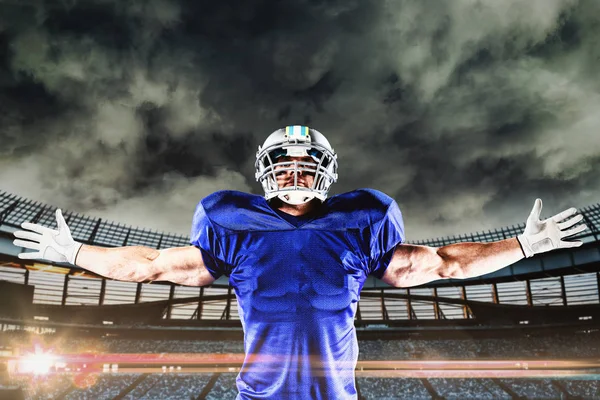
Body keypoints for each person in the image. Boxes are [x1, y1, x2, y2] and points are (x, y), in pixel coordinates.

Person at [12, 125, 587, 399]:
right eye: (283, 165)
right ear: (264, 171)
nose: (293, 172)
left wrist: (524, 246)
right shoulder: (229, 221)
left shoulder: (364, 219)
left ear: (326, 169)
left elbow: (441, 263)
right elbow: (155, 266)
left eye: (305, 163)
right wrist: (77, 253)